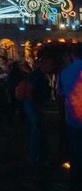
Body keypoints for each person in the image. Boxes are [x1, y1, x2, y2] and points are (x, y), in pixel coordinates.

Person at [59, 43, 82, 191]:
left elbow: (60, 95)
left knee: (75, 153)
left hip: (72, 119)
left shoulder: (65, 72)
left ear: (73, 54)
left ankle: (75, 181)